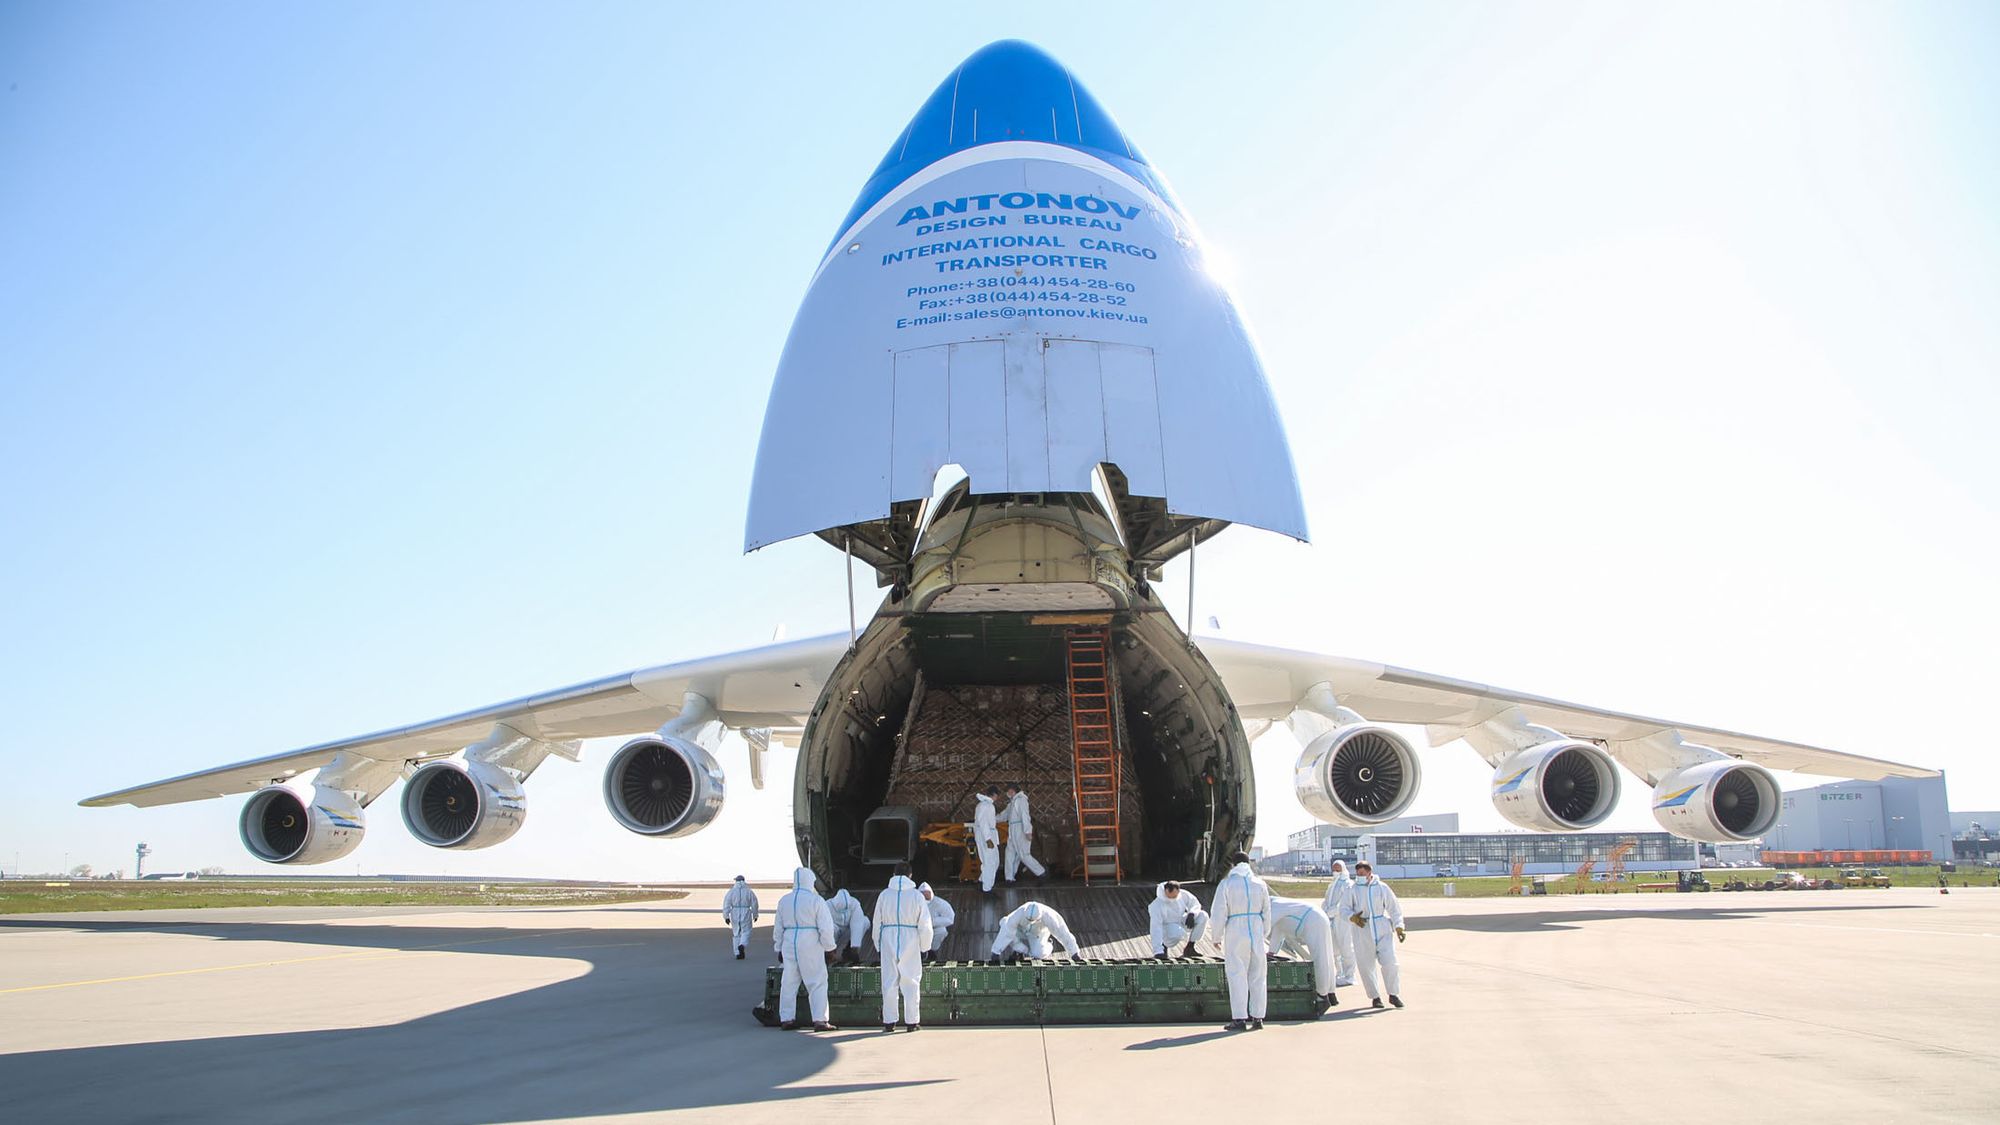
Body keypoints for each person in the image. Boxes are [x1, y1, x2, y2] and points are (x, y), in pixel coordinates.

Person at [1210, 849, 1271, 1031]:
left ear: (1233, 865)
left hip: (1236, 929)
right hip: (1256, 928)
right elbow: (1267, 911)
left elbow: (1219, 911)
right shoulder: (1260, 884)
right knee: (1259, 975)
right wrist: (1264, 932)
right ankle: (1258, 1017)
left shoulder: (1227, 884)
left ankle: (1239, 1018)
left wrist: (1216, 936)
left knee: (1237, 974)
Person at [771, 866, 838, 1031]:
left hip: (789, 942)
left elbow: (778, 928)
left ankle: (786, 1019)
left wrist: (778, 947)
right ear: (810, 882)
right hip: (810, 942)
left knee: (789, 982)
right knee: (817, 981)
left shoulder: (784, 900)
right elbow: (826, 927)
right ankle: (820, 1020)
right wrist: (830, 948)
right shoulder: (816, 901)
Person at [871, 863, 933, 1032]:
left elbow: (877, 922)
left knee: (889, 980)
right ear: (910, 875)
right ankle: (912, 1022)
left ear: (893, 874)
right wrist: (925, 947)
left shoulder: (884, 895)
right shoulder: (916, 896)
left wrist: (878, 944)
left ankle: (889, 1022)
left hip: (888, 936)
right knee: (911, 980)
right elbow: (925, 924)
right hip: (910, 938)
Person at [1344, 860, 1405, 1009]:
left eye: (1362, 874)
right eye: (1357, 874)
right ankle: (1375, 997)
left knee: (1390, 962)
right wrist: (1352, 917)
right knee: (1366, 965)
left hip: (1382, 927)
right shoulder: (1352, 889)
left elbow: (1394, 908)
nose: (1359, 876)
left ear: (1369, 873)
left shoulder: (1382, 888)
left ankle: (1393, 994)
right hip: (1362, 928)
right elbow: (1343, 909)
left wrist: (1399, 926)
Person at [1268, 895, 1339, 1007]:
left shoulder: (1272, 906)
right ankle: (1331, 994)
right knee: (1326, 956)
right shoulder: (1277, 904)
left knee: (1320, 959)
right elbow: (1279, 929)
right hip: (1316, 917)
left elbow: (1263, 928)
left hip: (1313, 920)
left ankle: (1322, 996)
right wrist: (1271, 952)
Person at [988, 900, 1082, 962]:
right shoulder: (1019, 913)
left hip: (1038, 933)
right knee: (1004, 922)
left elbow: (1062, 933)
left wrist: (1074, 953)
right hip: (1021, 930)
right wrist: (996, 952)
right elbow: (1007, 930)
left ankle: (1048, 944)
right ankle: (1019, 951)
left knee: (1039, 954)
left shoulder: (1050, 916)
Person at [1147, 880, 1209, 958]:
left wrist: (1192, 914)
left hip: (1181, 921)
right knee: (1178, 933)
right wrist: (1158, 951)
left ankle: (1190, 948)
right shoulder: (1156, 905)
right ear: (1165, 891)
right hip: (1167, 928)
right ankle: (1163, 948)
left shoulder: (1183, 894)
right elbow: (1155, 928)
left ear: (1178, 891)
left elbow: (1195, 904)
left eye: (1174, 897)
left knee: (1203, 916)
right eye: (1169, 896)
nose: (1172, 899)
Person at [1001, 782, 1047, 883]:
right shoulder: (1012, 803)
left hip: (1020, 829)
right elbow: (1003, 815)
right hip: (1012, 830)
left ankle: (1041, 872)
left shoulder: (1021, 800)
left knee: (1023, 855)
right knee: (1010, 854)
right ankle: (1009, 878)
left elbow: (1025, 816)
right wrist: (991, 819)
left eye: (1009, 791)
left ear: (1013, 791)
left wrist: (1027, 831)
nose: (1008, 793)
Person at [1321, 860, 1358, 986]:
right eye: (1334, 869)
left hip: (1343, 920)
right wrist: (1325, 910)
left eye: (1338, 869)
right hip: (1331, 920)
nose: (1335, 872)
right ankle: (1340, 973)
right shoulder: (1332, 885)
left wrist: (1333, 911)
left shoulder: (1348, 884)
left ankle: (1350, 975)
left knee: (1346, 947)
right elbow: (1327, 900)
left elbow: (1344, 903)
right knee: (1334, 948)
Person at [826, 887, 868, 964]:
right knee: (830, 928)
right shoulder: (827, 905)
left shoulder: (854, 904)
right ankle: (829, 955)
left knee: (865, 921)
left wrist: (854, 948)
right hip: (833, 937)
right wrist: (830, 949)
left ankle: (848, 952)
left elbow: (857, 924)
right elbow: (825, 928)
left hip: (846, 934)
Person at [973, 786, 1003, 893]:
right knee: (990, 862)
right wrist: (988, 839)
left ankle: (982, 882)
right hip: (986, 836)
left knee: (991, 861)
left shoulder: (984, 805)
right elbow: (983, 822)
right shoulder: (986, 806)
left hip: (986, 834)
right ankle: (987, 888)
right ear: (994, 795)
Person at [722, 874, 759, 959]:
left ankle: (737, 953)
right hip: (746, 912)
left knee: (736, 933)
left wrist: (726, 916)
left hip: (734, 912)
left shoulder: (731, 892)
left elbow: (726, 904)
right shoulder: (749, 891)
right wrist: (755, 914)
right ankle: (742, 944)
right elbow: (754, 904)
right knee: (746, 931)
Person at [918, 882, 955, 963]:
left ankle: (931, 950)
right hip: (917, 929)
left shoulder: (940, 903)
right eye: (922, 893)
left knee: (942, 931)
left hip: (934, 928)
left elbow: (950, 918)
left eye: (927, 893)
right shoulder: (915, 903)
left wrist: (932, 922)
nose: (925, 896)